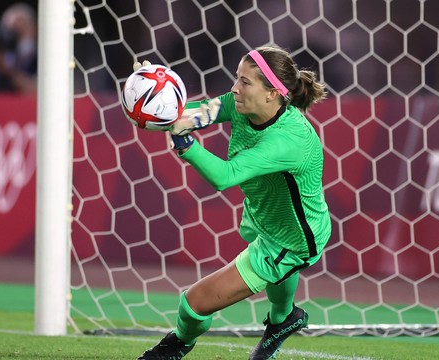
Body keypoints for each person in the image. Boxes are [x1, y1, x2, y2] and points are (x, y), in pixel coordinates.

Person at [135, 45, 331, 360]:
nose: (234, 88)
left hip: (292, 239)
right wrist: (154, 99)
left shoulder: (288, 140)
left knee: (193, 304)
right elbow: (194, 114)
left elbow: (225, 177)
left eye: (245, 82)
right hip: (264, 215)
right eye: (236, 78)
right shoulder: (240, 106)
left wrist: (186, 145)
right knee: (279, 279)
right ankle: (284, 318)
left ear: (272, 94)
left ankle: (175, 345)